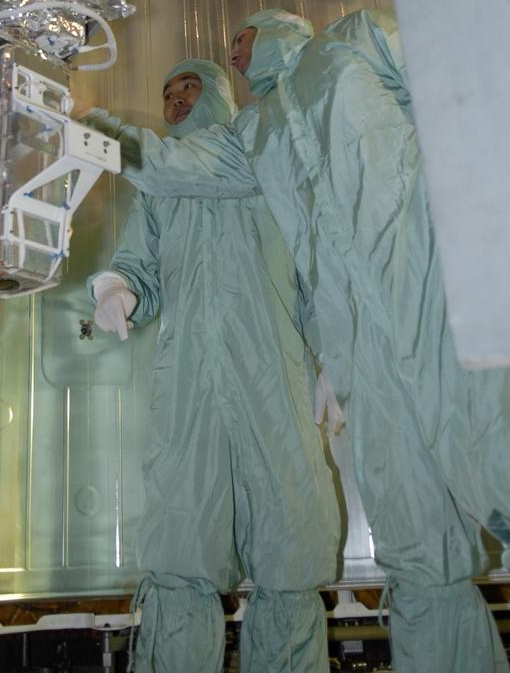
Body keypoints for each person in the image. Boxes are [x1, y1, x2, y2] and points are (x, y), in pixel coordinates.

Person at [87, 11, 510, 673]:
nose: (233, 51)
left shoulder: (348, 47)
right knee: (413, 544)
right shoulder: (245, 145)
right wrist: (91, 145)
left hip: (420, 307)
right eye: (168, 93)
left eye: (236, 41)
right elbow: (161, 189)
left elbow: (456, 90)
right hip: (322, 361)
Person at [88, 58, 340, 673]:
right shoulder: (158, 189)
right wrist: (117, 286)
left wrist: (336, 354)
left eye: (189, 87)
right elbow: (138, 262)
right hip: (189, 385)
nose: (175, 100)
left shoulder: (262, 154)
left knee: (289, 543)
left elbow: (313, 267)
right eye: (167, 93)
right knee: (181, 546)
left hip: (271, 378)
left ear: (219, 93)